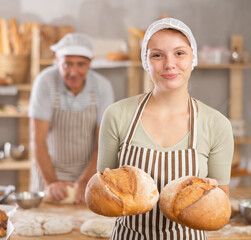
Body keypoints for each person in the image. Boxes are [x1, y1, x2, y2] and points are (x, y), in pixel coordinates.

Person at [97, 18, 234, 239]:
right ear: (146, 61)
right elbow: (104, 192)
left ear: (193, 58)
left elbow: (222, 205)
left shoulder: (217, 124)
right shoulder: (117, 115)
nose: (170, 64)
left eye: (179, 53)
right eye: (157, 55)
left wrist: (211, 196)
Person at [29, 33, 114, 204]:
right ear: (56, 60)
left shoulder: (102, 87)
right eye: (67, 64)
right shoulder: (45, 82)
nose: (74, 72)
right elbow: (37, 140)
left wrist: (85, 182)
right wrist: (51, 182)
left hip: (88, 173)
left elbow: (102, 144)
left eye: (81, 64)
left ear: (90, 62)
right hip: (48, 173)